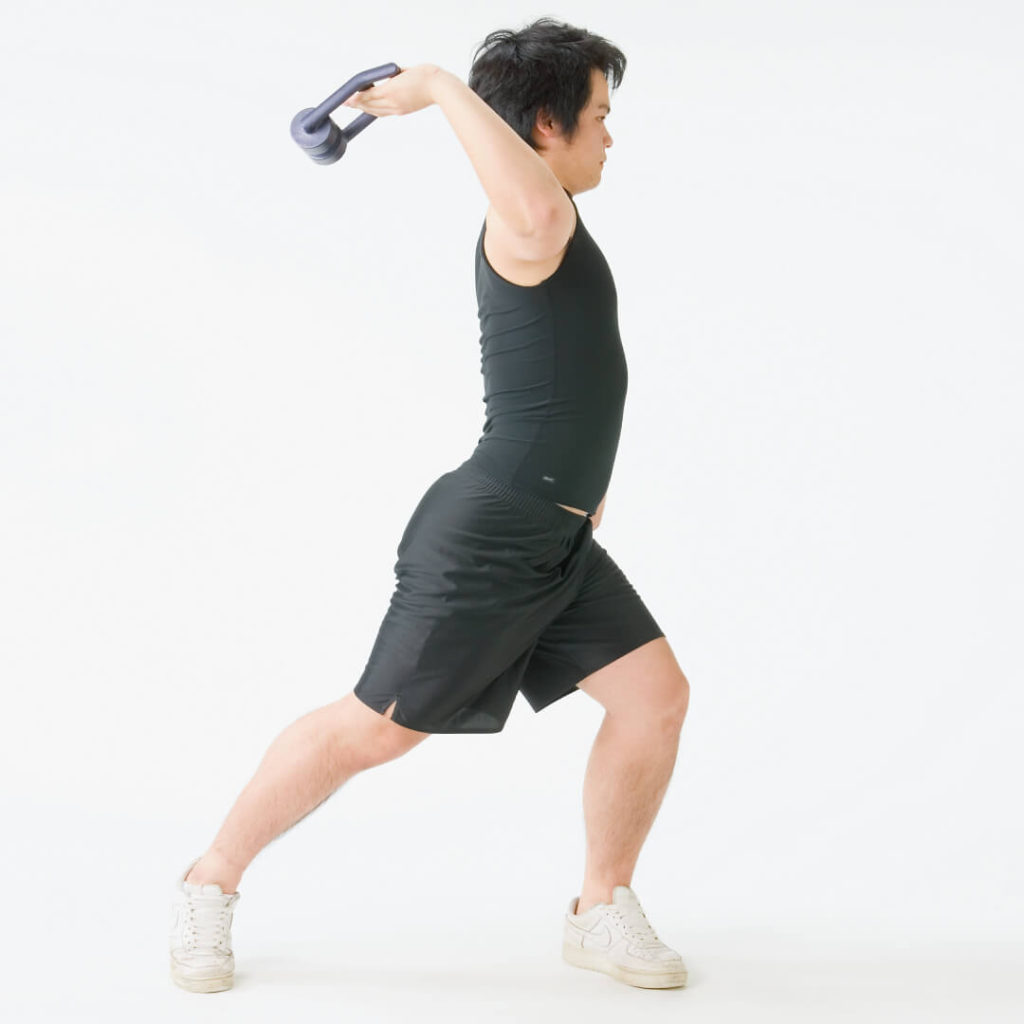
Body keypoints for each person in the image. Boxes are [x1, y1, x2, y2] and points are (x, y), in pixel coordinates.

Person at [169, 18, 691, 994]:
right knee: (374, 729)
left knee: (653, 698)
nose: (610, 136)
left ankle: (599, 906)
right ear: (546, 124)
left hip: (557, 539)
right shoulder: (529, 224)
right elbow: (529, 207)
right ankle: (210, 881)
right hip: (488, 539)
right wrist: (445, 89)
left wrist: (588, 494)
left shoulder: (552, 223)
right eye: (598, 116)